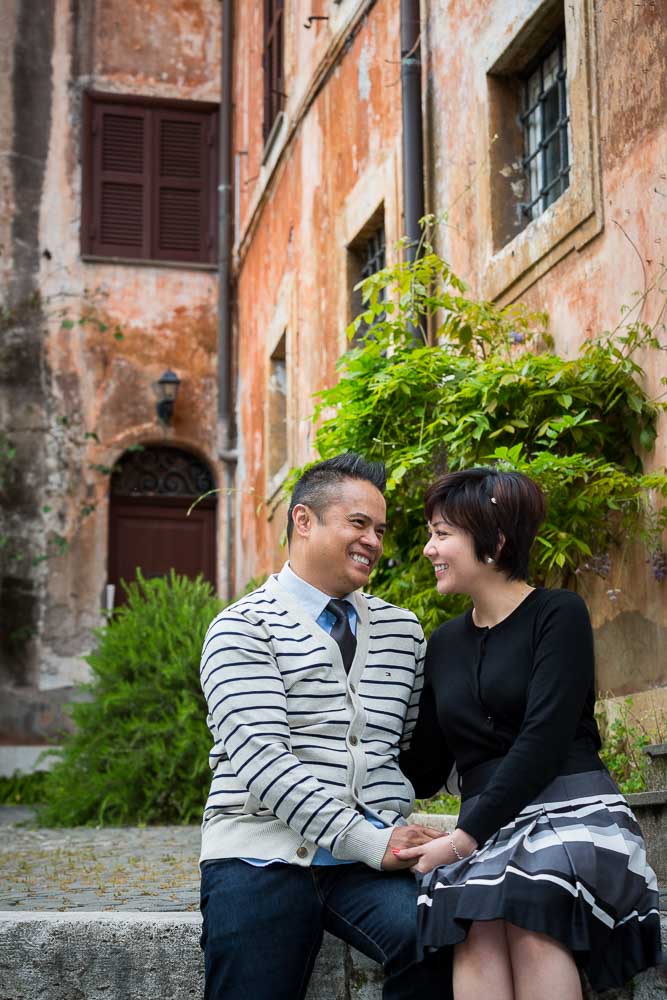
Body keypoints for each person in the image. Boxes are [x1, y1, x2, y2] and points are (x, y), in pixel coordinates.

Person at [396, 467, 662, 999]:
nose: (429, 549)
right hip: (485, 829)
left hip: (571, 811)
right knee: (477, 929)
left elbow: (543, 739)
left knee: (531, 909)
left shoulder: (557, 614)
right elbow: (420, 767)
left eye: (442, 534)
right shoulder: (442, 644)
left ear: (493, 542)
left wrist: (460, 840)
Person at [198, 452, 452, 1000]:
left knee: (436, 938)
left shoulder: (402, 631)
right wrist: (370, 839)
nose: (374, 542)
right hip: (259, 852)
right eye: (358, 523)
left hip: (369, 864)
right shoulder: (241, 629)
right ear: (304, 521)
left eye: (380, 529)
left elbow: (416, 755)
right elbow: (265, 765)